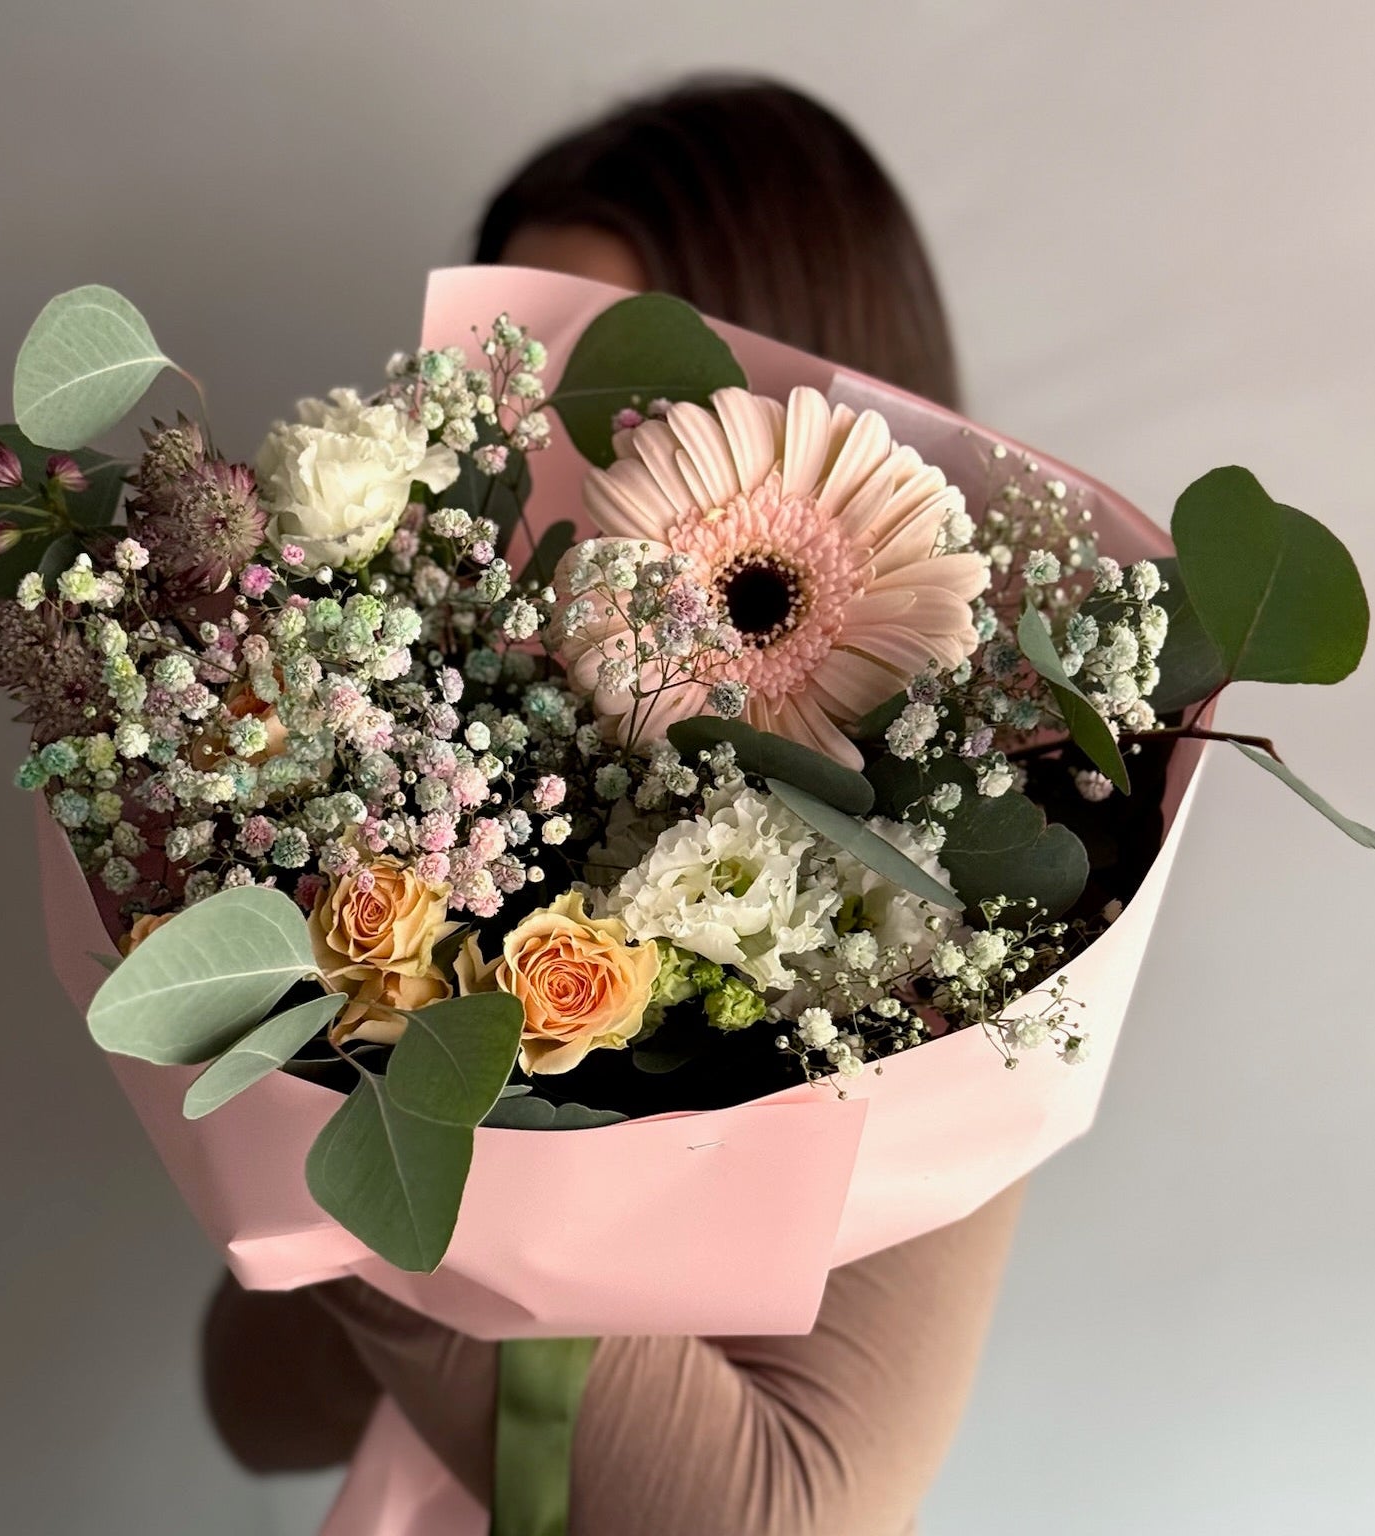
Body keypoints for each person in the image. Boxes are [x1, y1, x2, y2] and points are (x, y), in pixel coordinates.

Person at [203, 77, 1024, 1536]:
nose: (537, 456)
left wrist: (396, 1165)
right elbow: (255, 1404)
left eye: (613, 394)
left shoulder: (953, 885)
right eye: (497, 385)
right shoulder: (442, 803)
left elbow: (783, 1514)